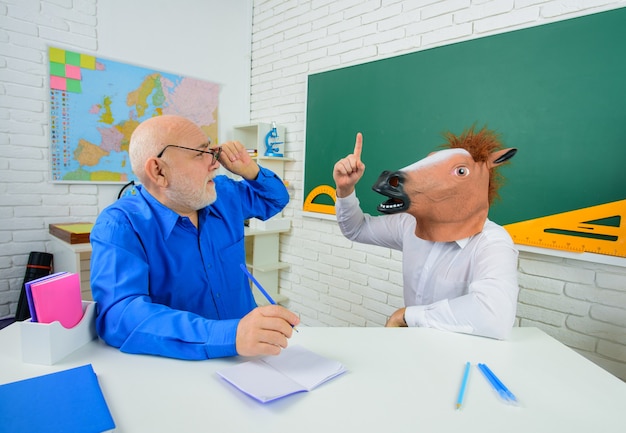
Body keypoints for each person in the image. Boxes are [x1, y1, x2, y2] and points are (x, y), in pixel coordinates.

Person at [90, 115, 299, 360]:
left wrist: (249, 170)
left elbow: (276, 199)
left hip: (250, 356)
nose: (215, 163)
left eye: (212, 151)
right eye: (200, 154)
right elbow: (120, 316)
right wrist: (230, 335)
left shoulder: (222, 194)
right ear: (159, 171)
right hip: (186, 367)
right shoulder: (120, 225)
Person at [332, 128, 519, 340]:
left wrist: (407, 316)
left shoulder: (492, 243)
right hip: (412, 349)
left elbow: (494, 317)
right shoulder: (409, 223)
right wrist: (345, 190)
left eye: (460, 171)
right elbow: (356, 229)